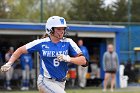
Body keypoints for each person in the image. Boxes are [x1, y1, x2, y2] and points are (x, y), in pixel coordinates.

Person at [0, 16, 87, 93]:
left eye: (63, 29)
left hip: (61, 82)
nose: (62, 31)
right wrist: (9, 63)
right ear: (50, 29)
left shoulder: (68, 42)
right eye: (59, 29)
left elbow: (84, 61)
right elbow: (20, 50)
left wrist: (69, 59)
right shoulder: (41, 43)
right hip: (46, 81)